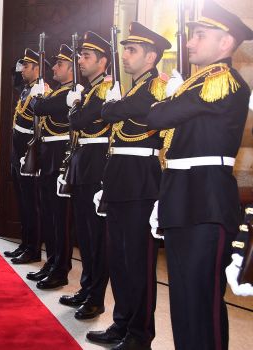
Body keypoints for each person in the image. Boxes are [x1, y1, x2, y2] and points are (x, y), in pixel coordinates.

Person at [145, 2, 253, 349]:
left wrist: (172, 96)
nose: (189, 43)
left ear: (225, 44)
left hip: (205, 201)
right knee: (183, 299)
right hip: (182, 194)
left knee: (202, 301)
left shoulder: (223, 80)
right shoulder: (198, 82)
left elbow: (158, 118)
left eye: (199, 36)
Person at [86, 22, 171, 350]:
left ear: (151, 57)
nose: (125, 54)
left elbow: (117, 111)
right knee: (119, 259)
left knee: (138, 262)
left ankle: (140, 333)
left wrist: (111, 106)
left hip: (141, 181)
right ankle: (122, 324)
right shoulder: (135, 87)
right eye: (124, 48)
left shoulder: (156, 86)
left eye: (132, 50)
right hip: (119, 178)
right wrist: (112, 106)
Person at [59, 31, 111, 320]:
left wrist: (75, 105)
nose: (80, 60)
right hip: (82, 163)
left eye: (86, 56)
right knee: (84, 234)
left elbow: (78, 120)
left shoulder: (105, 90)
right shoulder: (92, 90)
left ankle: (96, 297)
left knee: (95, 237)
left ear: (103, 61)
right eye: (79, 55)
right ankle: (87, 287)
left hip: (95, 167)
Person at [25, 44, 75, 290]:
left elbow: (41, 108)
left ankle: (60, 268)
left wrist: (37, 97)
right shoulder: (58, 91)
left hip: (60, 156)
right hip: (48, 156)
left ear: (72, 69)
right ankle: (52, 261)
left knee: (59, 218)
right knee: (49, 215)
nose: (54, 67)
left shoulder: (73, 92)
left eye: (60, 64)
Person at [3, 48, 43, 264]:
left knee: (31, 204)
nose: (22, 70)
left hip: (30, 153)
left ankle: (34, 248)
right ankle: (25, 243)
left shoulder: (41, 90)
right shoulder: (27, 89)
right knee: (22, 202)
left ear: (37, 68)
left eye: (26, 66)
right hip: (17, 151)